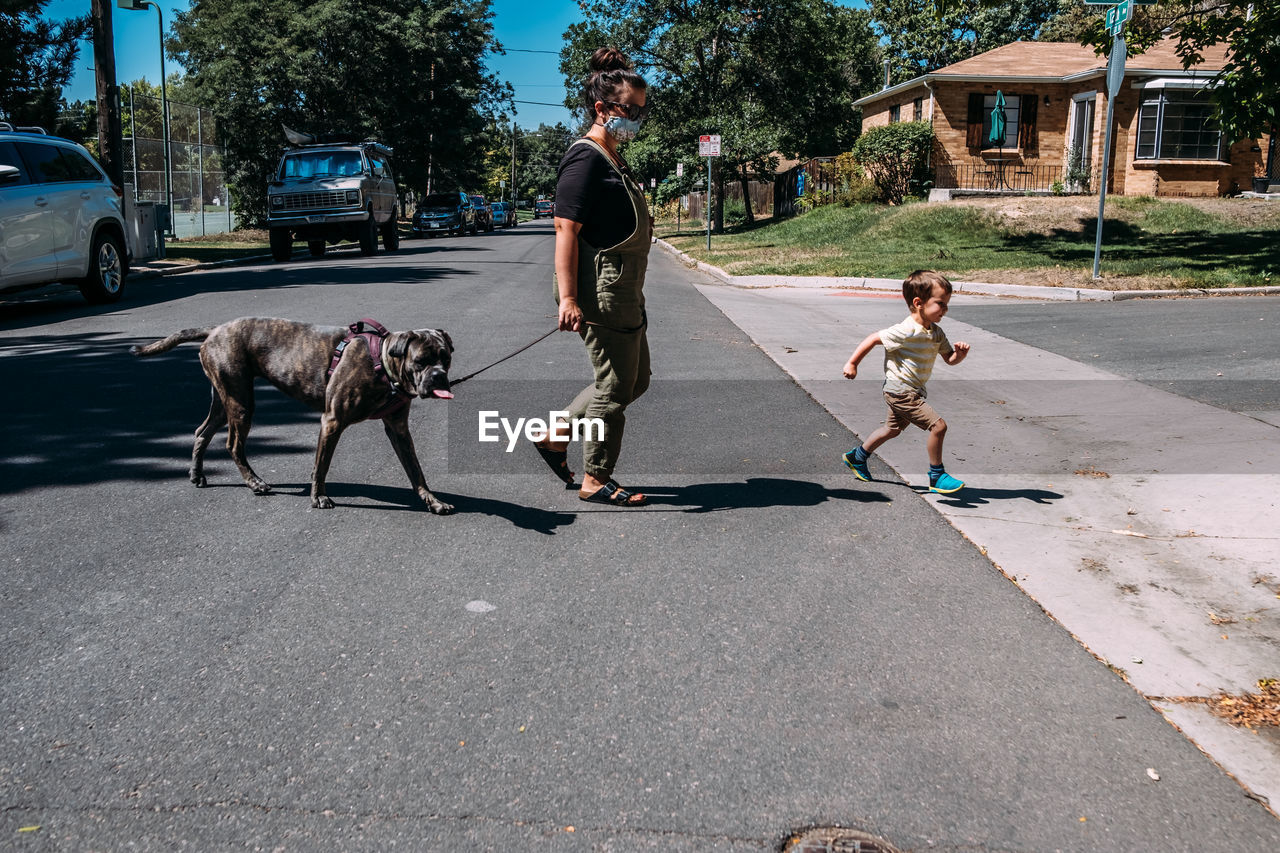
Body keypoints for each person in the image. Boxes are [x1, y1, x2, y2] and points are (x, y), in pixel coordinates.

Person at [531, 47, 653, 507]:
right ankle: (596, 477)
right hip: (602, 292)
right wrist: (568, 297)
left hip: (624, 289)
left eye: (643, 110)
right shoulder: (585, 159)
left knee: (635, 380)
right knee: (615, 387)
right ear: (603, 108)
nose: (638, 118)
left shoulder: (611, 155)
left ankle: (553, 435)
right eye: (632, 110)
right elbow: (565, 229)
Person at [840, 270, 971, 494]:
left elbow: (949, 359)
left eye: (947, 304)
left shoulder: (936, 333)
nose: (945, 310)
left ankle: (857, 457)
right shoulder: (905, 330)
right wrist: (852, 364)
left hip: (912, 391)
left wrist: (959, 355)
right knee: (938, 426)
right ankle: (937, 476)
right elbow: (873, 338)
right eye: (941, 303)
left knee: (892, 429)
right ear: (918, 303)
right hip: (900, 391)